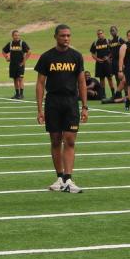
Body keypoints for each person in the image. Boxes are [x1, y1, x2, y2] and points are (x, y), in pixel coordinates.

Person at [34, 24, 88, 193]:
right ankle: (59, 177)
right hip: (53, 102)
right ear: (56, 36)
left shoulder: (76, 56)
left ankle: (69, 179)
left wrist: (85, 107)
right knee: (56, 140)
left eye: (68, 35)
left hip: (71, 102)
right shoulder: (46, 57)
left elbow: (81, 82)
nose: (66, 38)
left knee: (70, 140)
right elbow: (40, 83)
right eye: (63, 35)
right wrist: (39, 109)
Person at [2, 30, 30, 99]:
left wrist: (24, 61)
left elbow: (29, 52)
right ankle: (17, 94)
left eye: (18, 35)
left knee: (20, 79)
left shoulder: (22, 43)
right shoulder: (10, 44)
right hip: (12, 64)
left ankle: (21, 94)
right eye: (15, 35)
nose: (17, 36)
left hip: (20, 64)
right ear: (12, 36)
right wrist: (6, 57)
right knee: (15, 79)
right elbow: (3, 51)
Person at [90, 29, 116, 96]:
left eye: (101, 33)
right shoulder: (95, 43)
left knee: (109, 78)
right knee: (101, 79)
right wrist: (97, 59)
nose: (100, 35)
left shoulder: (108, 41)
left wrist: (108, 57)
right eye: (98, 34)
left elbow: (112, 50)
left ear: (103, 33)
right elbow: (92, 53)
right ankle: (103, 94)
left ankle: (113, 93)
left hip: (107, 63)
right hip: (99, 63)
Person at [107, 26, 124, 96]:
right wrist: (109, 58)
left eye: (113, 30)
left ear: (117, 31)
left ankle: (126, 94)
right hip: (113, 62)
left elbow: (126, 48)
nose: (112, 32)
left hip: (119, 61)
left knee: (122, 78)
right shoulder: (111, 41)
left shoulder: (120, 39)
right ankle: (118, 94)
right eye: (111, 31)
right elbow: (111, 51)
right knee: (117, 78)